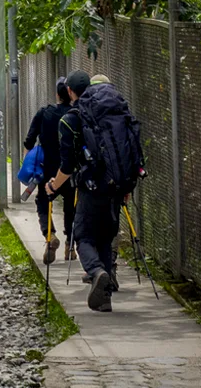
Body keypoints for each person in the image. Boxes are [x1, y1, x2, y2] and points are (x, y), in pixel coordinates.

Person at [45, 70, 142, 313]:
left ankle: (97, 272)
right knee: (105, 241)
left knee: (83, 237)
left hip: (91, 189)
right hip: (117, 188)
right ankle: (104, 299)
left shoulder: (70, 120)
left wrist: (52, 187)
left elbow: (67, 167)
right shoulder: (112, 114)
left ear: (69, 92)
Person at [23, 77, 76, 265]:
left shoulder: (44, 113)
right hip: (69, 170)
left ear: (57, 94)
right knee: (71, 205)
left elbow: (29, 142)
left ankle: (50, 235)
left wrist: (28, 164)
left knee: (43, 202)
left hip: (47, 170)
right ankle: (70, 244)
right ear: (70, 93)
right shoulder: (75, 114)